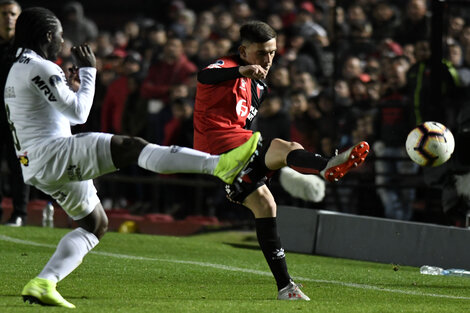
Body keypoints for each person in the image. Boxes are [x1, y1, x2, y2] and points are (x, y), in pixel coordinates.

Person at [5, 7, 261, 308]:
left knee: (94, 224)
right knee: (132, 147)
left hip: (36, 164)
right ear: (48, 35)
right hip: (53, 154)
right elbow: (80, 113)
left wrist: (72, 88)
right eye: (60, 37)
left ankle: (44, 282)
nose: (62, 43)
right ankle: (221, 166)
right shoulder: (42, 68)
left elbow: (58, 116)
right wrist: (89, 72)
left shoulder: (18, 67)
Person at [193, 20, 369, 301]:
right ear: (243, 50)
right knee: (280, 146)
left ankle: (286, 288)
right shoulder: (225, 66)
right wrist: (240, 70)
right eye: (262, 53)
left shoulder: (259, 87)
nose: (268, 58)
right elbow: (204, 77)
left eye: (273, 52)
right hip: (217, 148)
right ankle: (326, 165)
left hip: (237, 153)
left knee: (266, 204)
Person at [0, 0, 30, 226]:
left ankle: (20, 213)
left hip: (18, 116)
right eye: (3, 13)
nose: (8, 17)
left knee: (19, 164)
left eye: (12, 13)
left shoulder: (28, 47)